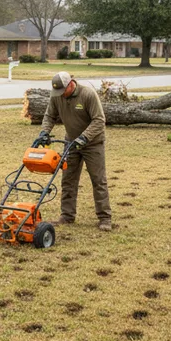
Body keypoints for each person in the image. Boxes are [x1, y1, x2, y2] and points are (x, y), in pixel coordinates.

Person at [36, 71, 112, 231]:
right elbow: (49, 116)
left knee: (98, 180)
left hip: (93, 143)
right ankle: (67, 215)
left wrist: (84, 138)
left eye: (63, 91)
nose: (61, 95)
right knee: (68, 179)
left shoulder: (87, 94)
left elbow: (99, 120)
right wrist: (44, 132)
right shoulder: (57, 96)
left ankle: (105, 218)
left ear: (71, 83)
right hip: (70, 142)